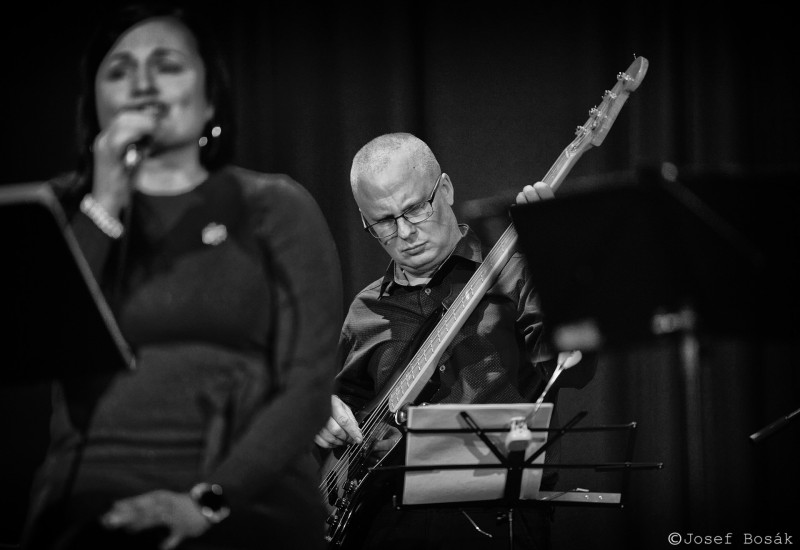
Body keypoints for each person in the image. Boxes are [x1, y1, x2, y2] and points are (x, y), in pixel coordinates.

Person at [21, 3, 342, 550]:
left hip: (245, 500)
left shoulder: (274, 205)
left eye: (166, 65)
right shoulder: (59, 212)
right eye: (119, 71)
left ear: (211, 96)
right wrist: (104, 206)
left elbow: (309, 383)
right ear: (95, 102)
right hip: (91, 498)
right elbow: (36, 341)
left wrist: (210, 500)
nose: (142, 84)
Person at [314, 132, 596, 549]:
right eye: (384, 222)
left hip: (494, 521)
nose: (405, 232)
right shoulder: (366, 308)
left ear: (444, 189)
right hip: (381, 525)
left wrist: (557, 262)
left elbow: (574, 366)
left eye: (415, 208)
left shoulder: (518, 275)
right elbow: (344, 412)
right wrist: (322, 414)